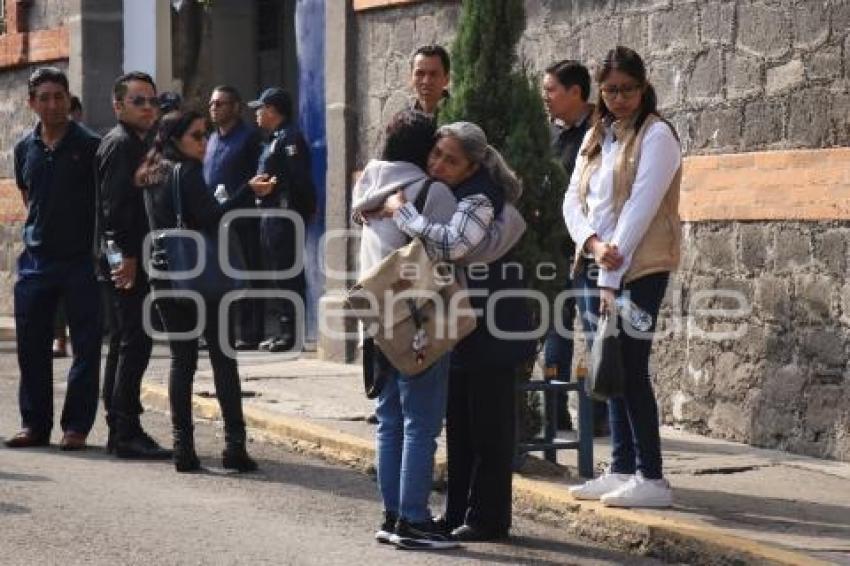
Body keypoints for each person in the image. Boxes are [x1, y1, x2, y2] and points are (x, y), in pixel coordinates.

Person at [382, 122, 534, 542]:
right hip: (465, 323)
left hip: (492, 325)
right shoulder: (453, 193)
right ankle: (457, 514)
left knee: (489, 428)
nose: (439, 164)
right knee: (462, 425)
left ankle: (488, 518)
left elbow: (453, 247)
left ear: (471, 165)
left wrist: (405, 214)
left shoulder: (480, 196)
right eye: (436, 155)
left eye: (451, 159)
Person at [563, 46, 682, 508]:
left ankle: (652, 477)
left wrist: (612, 270)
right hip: (598, 262)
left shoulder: (658, 136)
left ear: (643, 85)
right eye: (610, 90)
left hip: (641, 268)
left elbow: (641, 207)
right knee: (605, 363)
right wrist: (593, 244)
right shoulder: (598, 135)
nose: (619, 98)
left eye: (628, 89)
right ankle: (622, 467)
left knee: (631, 367)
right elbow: (573, 201)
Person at [136, 110, 267, 473]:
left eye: (205, 135)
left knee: (182, 361)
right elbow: (211, 217)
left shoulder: (150, 174)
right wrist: (247, 192)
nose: (204, 141)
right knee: (223, 359)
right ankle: (234, 448)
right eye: (196, 135)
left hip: (164, 275)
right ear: (176, 139)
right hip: (201, 278)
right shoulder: (187, 172)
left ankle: (183, 448)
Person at [5, 67, 102, 451]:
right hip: (36, 261)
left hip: (80, 260)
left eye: (58, 96)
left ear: (68, 98)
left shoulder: (90, 145)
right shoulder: (24, 148)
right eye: (43, 98)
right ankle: (35, 425)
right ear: (32, 103)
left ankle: (76, 427)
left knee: (85, 346)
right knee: (31, 348)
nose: (51, 104)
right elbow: (30, 198)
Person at [96, 71, 171, 459]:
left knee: (127, 343)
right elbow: (112, 211)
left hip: (132, 258)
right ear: (118, 105)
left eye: (152, 101)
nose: (147, 108)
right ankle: (124, 429)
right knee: (135, 342)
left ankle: (121, 424)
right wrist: (123, 259)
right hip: (125, 260)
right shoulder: (120, 144)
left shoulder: (140, 143)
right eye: (138, 101)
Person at [541, 59, 608, 433]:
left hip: (589, 252)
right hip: (554, 253)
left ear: (576, 92)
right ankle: (554, 414)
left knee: (596, 332)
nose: (545, 98)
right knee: (556, 335)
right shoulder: (549, 133)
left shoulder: (602, 132)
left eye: (551, 90)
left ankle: (598, 418)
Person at [248, 87, 316, 352]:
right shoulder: (273, 139)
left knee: (288, 274)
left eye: (261, 108)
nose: (256, 114)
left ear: (273, 111)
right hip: (270, 214)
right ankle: (282, 331)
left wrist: (306, 209)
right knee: (278, 274)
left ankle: (292, 334)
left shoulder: (289, 139)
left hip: (283, 215)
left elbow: (299, 179)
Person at [204, 85, 264, 350]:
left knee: (249, 273)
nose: (214, 108)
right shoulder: (211, 139)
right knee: (219, 275)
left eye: (220, 104)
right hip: (217, 218)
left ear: (236, 107)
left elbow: (258, 176)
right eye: (212, 104)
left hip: (243, 216)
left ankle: (250, 332)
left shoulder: (249, 138)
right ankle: (219, 331)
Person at [409, 44, 450, 118]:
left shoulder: (460, 117)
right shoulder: (402, 123)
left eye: (433, 74)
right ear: (411, 78)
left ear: (446, 79)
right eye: (420, 73)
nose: (426, 81)